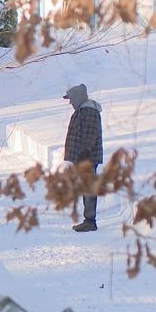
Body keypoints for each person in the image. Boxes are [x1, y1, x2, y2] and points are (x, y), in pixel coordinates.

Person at [63, 83, 104, 232]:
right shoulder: (82, 110)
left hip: (87, 158)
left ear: (78, 98)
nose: (70, 102)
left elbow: (90, 135)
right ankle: (88, 219)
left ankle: (90, 221)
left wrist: (84, 154)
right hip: (83, 158)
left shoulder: (88, 111)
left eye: (71, 99)